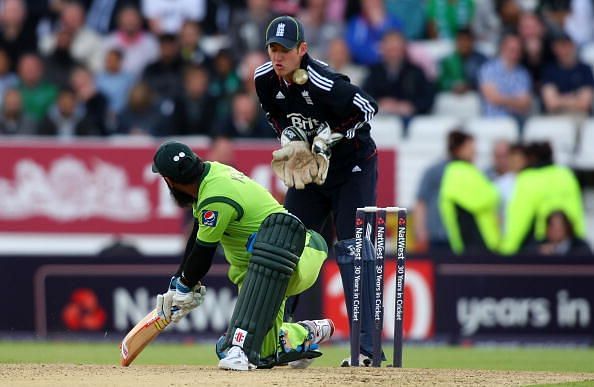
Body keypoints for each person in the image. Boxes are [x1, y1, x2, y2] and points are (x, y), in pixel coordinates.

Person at [254, 15, 380, 366]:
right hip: (310, 171)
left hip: (351, 169)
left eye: (286, 50)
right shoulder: (264, 79)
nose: (278, 57)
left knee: (355, 251)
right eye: (273, 49)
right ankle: (282, 340)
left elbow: (368, 108)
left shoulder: (323, 81)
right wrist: (288, 136)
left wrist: (330, 136)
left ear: (303, 49)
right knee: (287, 245)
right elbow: (274, 114)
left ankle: (367, 351)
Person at [151, 140, 334, 371]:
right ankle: (304, 335)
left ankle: (242, 349)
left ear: (169, 181)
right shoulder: (212, 175)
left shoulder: (215, 197)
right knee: (259, 352)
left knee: (236, 349)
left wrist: (187, 286)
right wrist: (178, 284)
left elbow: (203, 253)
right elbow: (197, 236)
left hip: (288, 258)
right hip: (272, 267)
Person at [439, 130, 501, 255]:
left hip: (481, 241)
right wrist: (493, 195)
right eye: (470, 147)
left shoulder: (467, 170)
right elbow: (480, 201)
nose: (474, 151)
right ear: (458, 149)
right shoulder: (457, 172)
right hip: (473, 242)